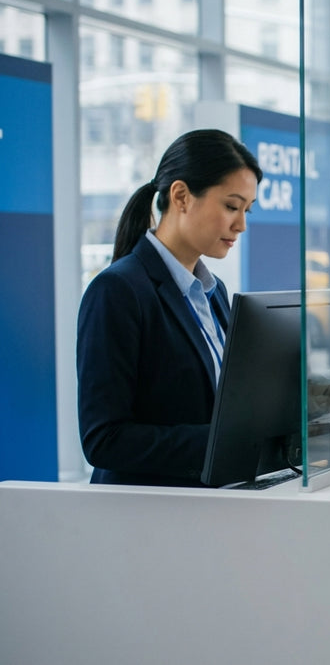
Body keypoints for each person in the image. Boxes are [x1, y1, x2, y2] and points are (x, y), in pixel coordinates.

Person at [77, 129, 262, 487]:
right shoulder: (117, 290)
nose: (240, 224)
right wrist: (225, 441)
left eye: (246, 211)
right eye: (231, 206)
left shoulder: (213, 291)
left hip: (203, 508)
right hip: (146, 518)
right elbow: (104, 439)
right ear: (181, 196)